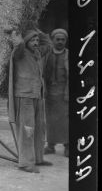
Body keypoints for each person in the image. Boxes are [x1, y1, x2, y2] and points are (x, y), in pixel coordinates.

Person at [8, 28, 53, 173]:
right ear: (26, 41)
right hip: (24, 96)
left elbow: (49, 45)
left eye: (37, 40)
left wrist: (38, 31)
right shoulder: (19, 53)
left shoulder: (38, 53)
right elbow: (19, 44)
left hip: (38, 95)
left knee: (39, 128)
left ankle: (38, 158)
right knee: (27, 130)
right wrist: (16, 32)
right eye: (32, 40)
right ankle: (26, 163)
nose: (36, 43)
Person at [44, 28, 69, 157]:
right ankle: (50, 145)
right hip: (50, 93)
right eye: (57, 39)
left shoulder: (69, 55)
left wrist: (68, 92)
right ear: (53, 40)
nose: (60, 42)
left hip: (65, 93)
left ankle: (67, 146)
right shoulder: (47, 54)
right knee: (51, 120)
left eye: (63, 40)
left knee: (65, 121)